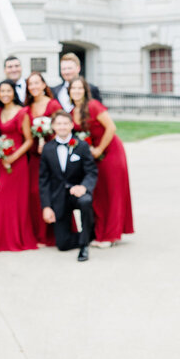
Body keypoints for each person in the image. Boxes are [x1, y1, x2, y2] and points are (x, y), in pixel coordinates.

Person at [70, 76, 134, 245]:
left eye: (79, 88)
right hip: (93, 155)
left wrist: (99, 149)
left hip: (110, 151)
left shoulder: (93, 106)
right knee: (99, 193)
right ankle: (101, 231)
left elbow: (111, 127)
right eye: (73, 88)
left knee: (112, 192)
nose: (76, 91)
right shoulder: (72, 112)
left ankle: (110, 236)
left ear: (85, 91)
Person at [38, 109, 98, 262]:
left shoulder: (82, 146)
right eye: (59, 124)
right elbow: (43, 180)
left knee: (85, 201)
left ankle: (84, 246)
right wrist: (46, 206)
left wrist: (84, 187)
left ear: (72, 125)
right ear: (53, 126)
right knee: (62, 244)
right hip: (58, 196)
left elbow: (91, 172)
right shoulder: (48, 149)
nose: (62, 127)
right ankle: (89, 234)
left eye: (65, 123)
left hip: (77, 192)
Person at [0, 80, 36, 252]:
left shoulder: (23, 112)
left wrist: (14, 156)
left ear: (14, 93)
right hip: (2, 161)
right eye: (2, 91)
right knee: (0, 200)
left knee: (8, 200)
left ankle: (16, 238)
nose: (5, 94)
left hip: (18, 162)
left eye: (8, 91)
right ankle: (2, 240)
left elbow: (29, 140)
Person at [26, 71, 59, 246]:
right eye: (30, 84)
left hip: (51, 156)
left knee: (51, 191)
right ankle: (37, 234)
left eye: (37, 83)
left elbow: (62, 127)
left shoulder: (53, 105)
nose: (34, 87)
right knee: (33, 192)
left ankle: (51, 234)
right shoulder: (28, 107)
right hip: (34, 158)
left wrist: (49, 143)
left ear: (44, 85)